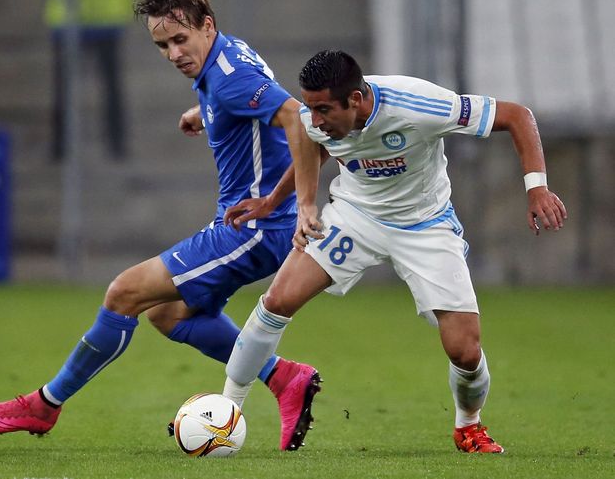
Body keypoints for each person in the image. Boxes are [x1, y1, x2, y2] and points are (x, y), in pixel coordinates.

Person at [0, 0, 322, 452]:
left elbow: (299, 120)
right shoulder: (225, 57)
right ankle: (284, 378)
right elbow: (245, 95)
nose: (173, 54)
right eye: (162, 46)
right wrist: (207, 112)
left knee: (124, 292)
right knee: (168, 314)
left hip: (257, 229)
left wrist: (300, 204)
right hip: (249, 223)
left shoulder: (231, 79)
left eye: (179, 40)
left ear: (207, 25)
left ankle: (44, 405)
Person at [222, 50, 568, 453]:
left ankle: (468, 425)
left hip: (426, 225)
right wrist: (279, 202)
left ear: (355, 100)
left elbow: (516, 115)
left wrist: (537, 187)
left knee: (465, 350)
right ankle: (228, 411)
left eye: (323, 110)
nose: (313, 119)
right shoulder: (312, 118)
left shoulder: (420, 104)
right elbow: (312, 146)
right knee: (278, 299)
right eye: (310, 108)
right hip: (355, 216)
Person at [45, 0, 140, 160]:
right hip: (68, 19)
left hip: (105, 18)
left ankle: (117, 145)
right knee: (63, 87)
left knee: (111, 86)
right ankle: (60, 147)